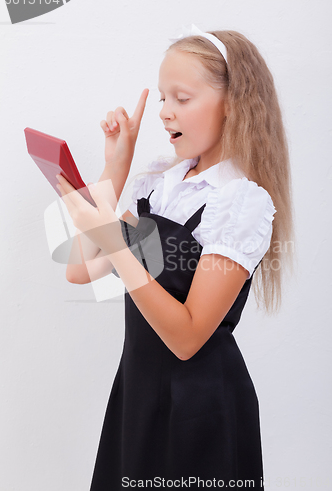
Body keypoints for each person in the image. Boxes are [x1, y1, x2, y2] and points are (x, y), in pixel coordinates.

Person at [56, 25, 294, 490]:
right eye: (163, 98)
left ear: (234, 102)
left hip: (200, 409)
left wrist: (118, 242)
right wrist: (116, 167)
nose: (164, 114)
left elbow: (186, 337)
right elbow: (80, 269)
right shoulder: (157, 188)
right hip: (138, 399)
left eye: (181, 99)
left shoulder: (240, 202)